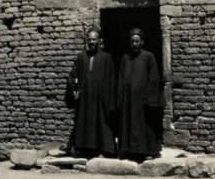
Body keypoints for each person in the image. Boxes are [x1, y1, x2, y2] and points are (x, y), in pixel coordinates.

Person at [66, 26, 116, 158]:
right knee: (85, 121)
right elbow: (74, 75)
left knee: (101, 122)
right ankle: (85, 148)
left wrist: (109, 99)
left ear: (99, 41)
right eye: (89, 40)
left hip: (101, 98)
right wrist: (75, 88)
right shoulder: (81, 57)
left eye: (94, 39)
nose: (92, 42)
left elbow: (111, 79)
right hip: (85, 98)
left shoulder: (106, 57)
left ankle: (103, 148)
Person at [118, 28, 164, 162]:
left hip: (143, 100)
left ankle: (147, 151)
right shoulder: (125, 58)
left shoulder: (149, 56)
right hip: (129, 99)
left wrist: (150, 97)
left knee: (145, 126)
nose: (134, 44)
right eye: (132, 42)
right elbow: (121, 78)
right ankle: (129, 150)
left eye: (137, 41)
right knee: (129, 124)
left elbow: (154, 78)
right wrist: (121, 97)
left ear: (142, 42)